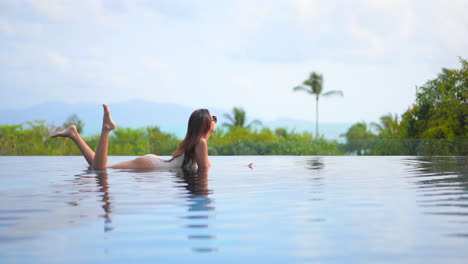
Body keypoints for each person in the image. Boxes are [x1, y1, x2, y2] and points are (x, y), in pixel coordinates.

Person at [51, 104, 216, 171]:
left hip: (154, 163)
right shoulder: (201, 142)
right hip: (152, 166)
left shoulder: (194, 141)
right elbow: (205, 169)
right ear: (207, 125)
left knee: (99, 168)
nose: (215, 122)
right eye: (213, 120)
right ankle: (106, 129)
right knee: (101, 170)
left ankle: (74, 135)